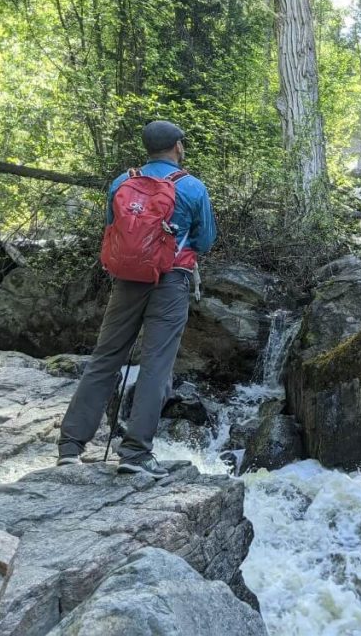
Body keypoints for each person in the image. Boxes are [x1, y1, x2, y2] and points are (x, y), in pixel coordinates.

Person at [57, 120, 216, 478]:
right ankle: (135, 452)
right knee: (156, 364)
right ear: (178, 146)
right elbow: (204, 241)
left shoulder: (121, 182)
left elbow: (112, 227)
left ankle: (70, 447)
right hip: (171, 281)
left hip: (126, 281)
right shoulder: (191, 187)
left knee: (105, 359)